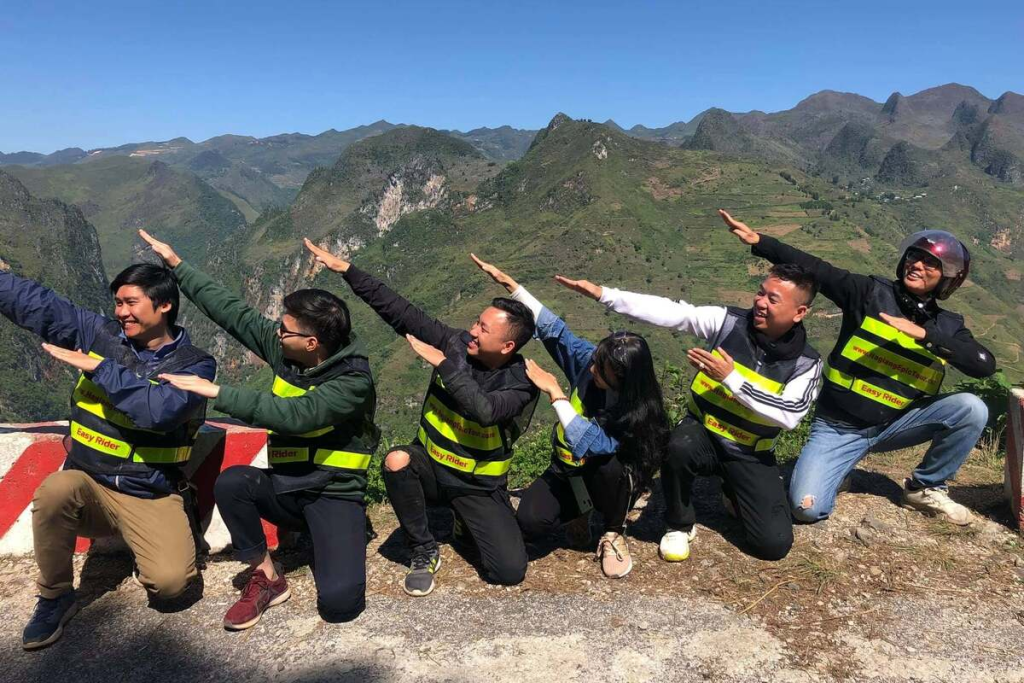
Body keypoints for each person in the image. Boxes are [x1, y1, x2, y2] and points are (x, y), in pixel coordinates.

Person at [140, 230, 380, 629]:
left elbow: (296, 416)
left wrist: (217, 391)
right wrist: (177, 266)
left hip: (332, 490)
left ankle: (327, 535)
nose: (276, 333)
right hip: (286, 487)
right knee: (233, 483)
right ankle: (266, 576)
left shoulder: (353, 382)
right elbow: (232, 313)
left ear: (312, 343)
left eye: (286, 330)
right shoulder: (286, 347)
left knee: (340, 604)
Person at [719, 210, 996, 526]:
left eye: (930, 263)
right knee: (806, 509)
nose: (916, 265)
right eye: (913, 257)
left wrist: (927, 336)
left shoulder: (947, 326)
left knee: (971, 408)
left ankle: (924, 488)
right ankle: (838, 468)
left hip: (896, 424)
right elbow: (818, 270)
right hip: (839, 427)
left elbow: (983, 365)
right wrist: (761, 242)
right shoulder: (868, 293)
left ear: (948, 277)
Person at [303, 240, 539, 597]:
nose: (472, 331)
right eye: (477, 322)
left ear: (508, 347)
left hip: (477, 485)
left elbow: (485, 411)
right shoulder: (454, 343)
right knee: (397, 460)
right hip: (430, 467)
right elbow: (400, 311)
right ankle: (423, 548)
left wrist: (444, 364)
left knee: (508, 571)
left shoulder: (522, 383)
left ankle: (464, 522)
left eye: (484, 330)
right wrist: (347, 271)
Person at [1, 261, 216, 649]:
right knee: (54, 490)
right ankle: (54, 596)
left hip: (149, 490)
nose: (121, 312)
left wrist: (101, 369)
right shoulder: (99, 333)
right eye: (117, 302)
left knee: (171, 586)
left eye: (131, 303)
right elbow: (41, 306)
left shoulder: (195, 364)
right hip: (89, 483)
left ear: (164, 305)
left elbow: (160, 410)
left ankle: (148, 541)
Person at [560, 261, 822, 562]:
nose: (760, 302)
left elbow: (789, 415)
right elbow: (674, 313)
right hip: (703, 434)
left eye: (772, 299)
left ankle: (732, 490)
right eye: (760, 293)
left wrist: (730, 378)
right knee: (676, 445)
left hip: (749, 451)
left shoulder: (807, 364)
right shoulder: (728, 323)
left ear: (800, 312)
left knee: (772, 545)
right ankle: (679, 523)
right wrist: (605, 295)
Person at [472, 255, 670, 578]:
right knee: (530, 522)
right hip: (567, 471)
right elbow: (555, 332)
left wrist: (555, 393)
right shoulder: (593, 364)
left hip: (612, 483)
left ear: (623, 382)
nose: (590, 370)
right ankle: (580, 510)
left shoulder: (635, 416)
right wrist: (511, 285)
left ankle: (613, 531)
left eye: (600, 370)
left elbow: (591, 444)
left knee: (608, 466)